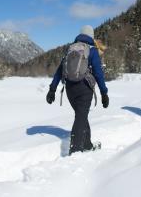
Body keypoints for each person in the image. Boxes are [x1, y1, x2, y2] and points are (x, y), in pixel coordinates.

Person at [46, 25, 109, 155]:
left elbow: (60, 70)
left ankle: (87, 145)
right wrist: (104, 92)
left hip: (69, 88)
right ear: (91, 36)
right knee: (81, 116)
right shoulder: (92, 50)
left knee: (81, 115)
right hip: (84, 88)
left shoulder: (70, 49)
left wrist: (52, 89)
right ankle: (75, 150)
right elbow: (98, 73)